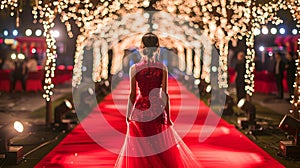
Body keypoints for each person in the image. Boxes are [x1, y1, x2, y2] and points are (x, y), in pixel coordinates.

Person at [115, 32, 200, 168]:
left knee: (141, 149)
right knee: (158, 146)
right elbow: (164, 94)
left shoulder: (134, 69)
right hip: (157, 110)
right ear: (157, 49)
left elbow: (132, 94)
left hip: (140, 111)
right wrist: (168, 116)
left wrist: (128, 115)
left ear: (141, 48)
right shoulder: (162, 68)